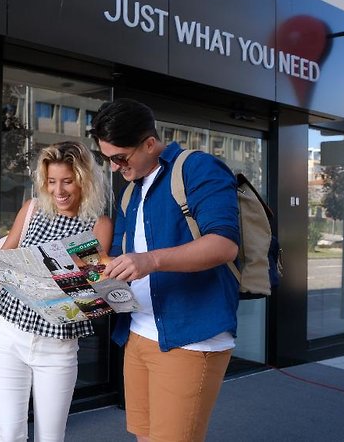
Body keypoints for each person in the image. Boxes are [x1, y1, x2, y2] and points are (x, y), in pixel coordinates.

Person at [90, 99, 240, 442]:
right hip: (138, 332)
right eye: (107, 158)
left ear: (149, 144)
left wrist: (150, 260)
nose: (114, 167)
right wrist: (83, 282)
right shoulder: (131, 192)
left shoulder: (197, 168)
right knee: (144, 436)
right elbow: (118, 261)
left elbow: (223, 244)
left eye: (120, 158)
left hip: (190, 336)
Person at [0, 141, 113, 442]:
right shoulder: (32, 210)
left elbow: (89, 288)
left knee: (50, 438)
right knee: (9, 435)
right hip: (10, 335)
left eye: (67, 181)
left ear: (84, 180)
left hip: (57, 346)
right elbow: (5, 256)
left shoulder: (97, 225)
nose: (58, 191)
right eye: (52, 181)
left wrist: (65, 273)